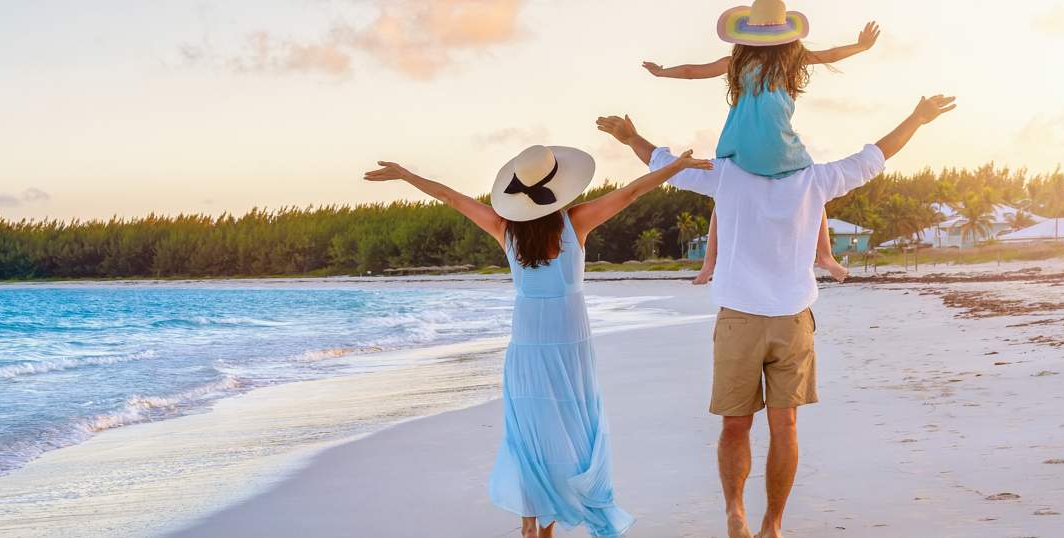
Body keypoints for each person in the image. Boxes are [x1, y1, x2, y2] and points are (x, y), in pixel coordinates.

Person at [596, 93, 955, 538]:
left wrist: (631, 138)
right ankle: (771, 524)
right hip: (791, 320)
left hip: (740, 319)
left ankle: (738, 514)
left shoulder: (726, 175)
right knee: (783, 425)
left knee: (735, 424)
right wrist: (916, 119)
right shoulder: (814, 179)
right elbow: (874, 157)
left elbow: (665, 165)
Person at [364, 141, 712, 537]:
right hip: (570, 342)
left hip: (528, 343)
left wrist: (407, 175)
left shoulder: (503, 228)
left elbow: (451, 198)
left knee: (529, 433)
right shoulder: (576, 222)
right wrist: (677, 166)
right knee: (572, 432)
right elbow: (633, 191)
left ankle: (532, 524)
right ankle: (550, 520)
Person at [640, 0, 881, 284]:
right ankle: (826, 255)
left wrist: (662, 72)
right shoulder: (790, 61)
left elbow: (693, 72)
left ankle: (709, 264)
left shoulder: (737, 63)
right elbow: (831, 55)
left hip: (739, 148)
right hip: (780, 148)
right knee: (813, 190)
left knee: (723, 194)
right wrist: (861, 46)